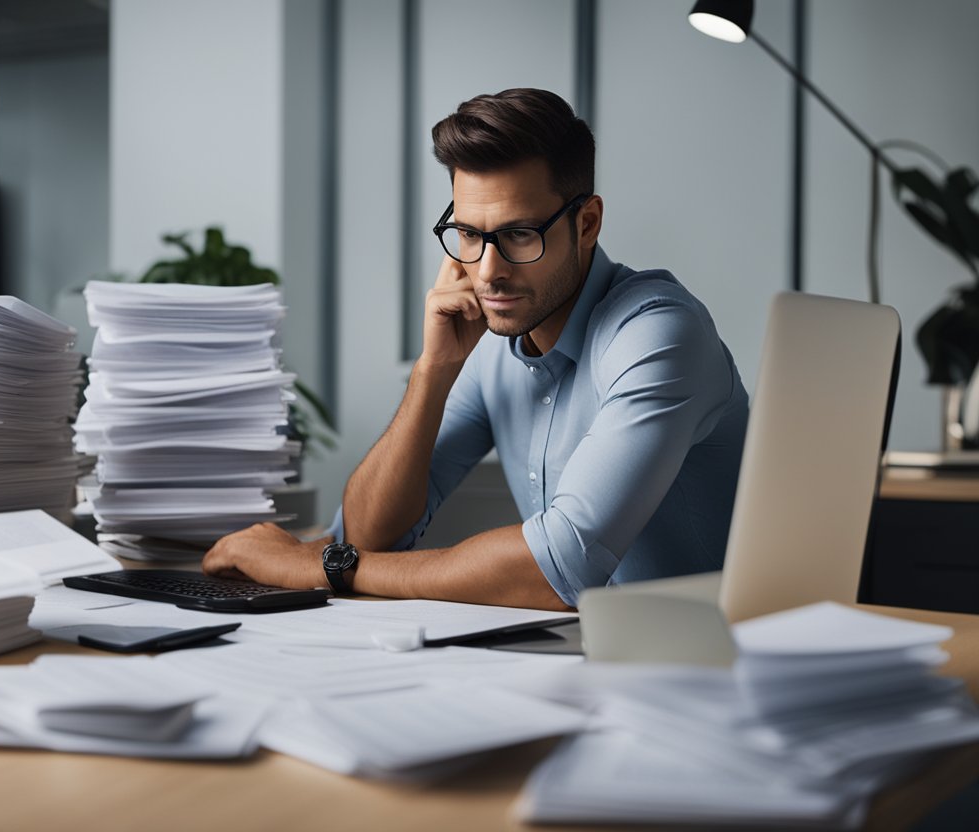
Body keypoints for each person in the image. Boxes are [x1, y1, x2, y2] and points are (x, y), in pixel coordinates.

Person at [203, 88, 749, 610]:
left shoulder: (657, 335)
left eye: (518, 235)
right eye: (468, 233)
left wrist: (324, 567)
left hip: (704, 673)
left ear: (586, 224)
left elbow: (557, 568)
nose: (488, 272)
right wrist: (433, 370)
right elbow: (369, 535)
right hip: (575, 662)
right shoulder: (494, 338)